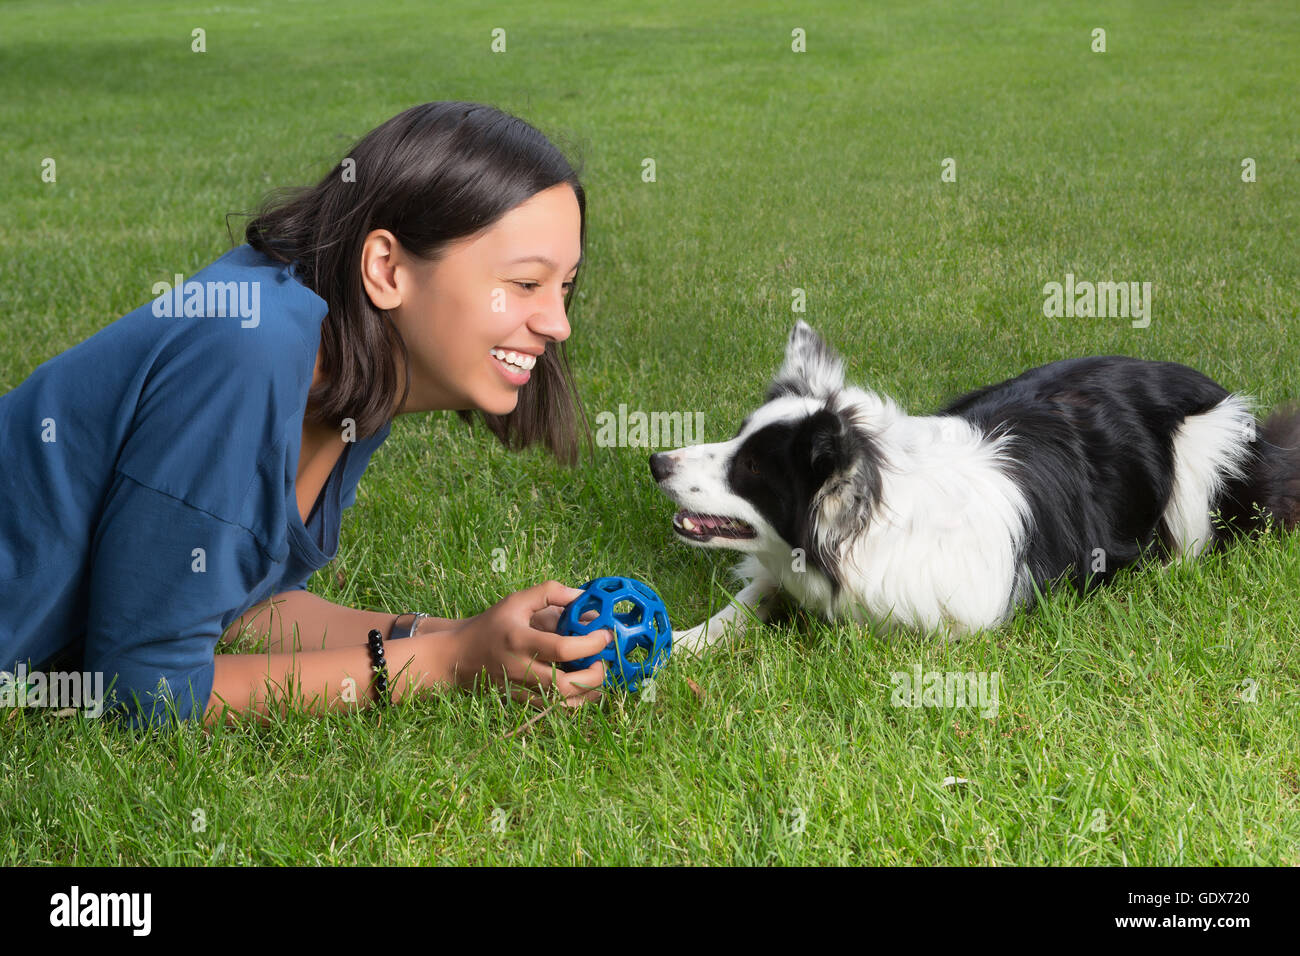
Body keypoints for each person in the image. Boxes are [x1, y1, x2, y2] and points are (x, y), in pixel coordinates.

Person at [0, 101, 613, 729]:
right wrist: (447, 662)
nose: (557, 324)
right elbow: (145, 690)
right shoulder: (249, 347)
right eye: (524, 283)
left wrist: (475, 640)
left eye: (564, 286)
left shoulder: (353, 365)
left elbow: (242, 607)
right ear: (386, 268)